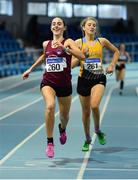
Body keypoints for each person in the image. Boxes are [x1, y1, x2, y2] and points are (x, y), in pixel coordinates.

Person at [22, 17, 85, 158]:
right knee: (50, 106)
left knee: (64, 117)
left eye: (59, 24)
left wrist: (66, 50)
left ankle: (62, 129)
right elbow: (44, 56)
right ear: (51, 27)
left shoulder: (68, 42)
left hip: (64, 84)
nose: (56, 26)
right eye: (54, 24)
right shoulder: (46, 43)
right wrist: (30, 69)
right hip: (48, 82)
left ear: (64, 28)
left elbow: (82, 56)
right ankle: (50, 143)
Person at [71, 17, 119, 151]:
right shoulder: (78, 43)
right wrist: (82, 54)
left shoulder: (101, 41)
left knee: (94, 105)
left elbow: (116, 51)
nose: (92, 27)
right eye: (89, 25)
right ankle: (87, 138)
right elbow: (71, 65)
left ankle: (97, 130)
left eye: (94, 25)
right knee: (85, 113)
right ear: (83, 27)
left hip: (99, 77)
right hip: (83, 79)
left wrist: (112, 65)